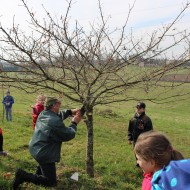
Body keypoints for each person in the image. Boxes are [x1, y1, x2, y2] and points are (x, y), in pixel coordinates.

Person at [12, 97, 81, 189]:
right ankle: (23, 175)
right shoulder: (53, 121)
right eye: (58, 104)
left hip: (36, 147)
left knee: (43, 168)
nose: (60, 105)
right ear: (53, 106)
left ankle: (38, 176)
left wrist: (70, 112)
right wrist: (74, 123)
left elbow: (58, 115)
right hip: (44, 153)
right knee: (50, 183)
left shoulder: (44, 113)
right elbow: (68, 134)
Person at [128, 102, 153, 166]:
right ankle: (138, 163)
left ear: (143, 109)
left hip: (143, 140)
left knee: (143, 153)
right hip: (135, 140)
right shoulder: (132, 119)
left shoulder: (147, 120)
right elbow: (130, 129)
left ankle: (145, 165)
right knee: (136, 152)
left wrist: (147, 140)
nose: (138, 109)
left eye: (140, 108)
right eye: (137, 108)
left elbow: (150, 131)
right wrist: (129, 138)